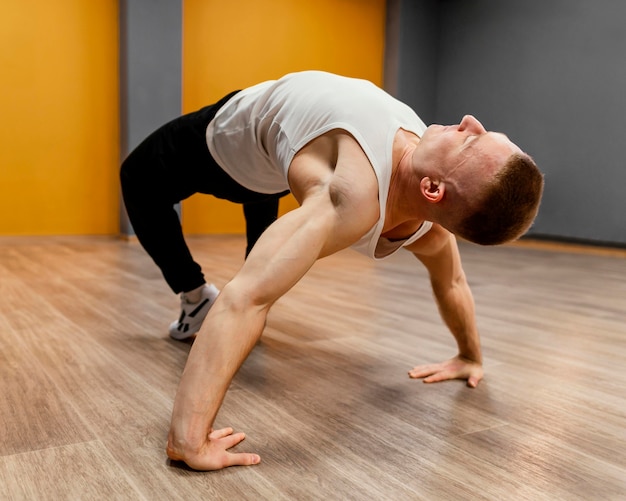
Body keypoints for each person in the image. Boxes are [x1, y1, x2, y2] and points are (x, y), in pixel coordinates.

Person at [120, 70, 544, 471]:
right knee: (192, 191)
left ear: (432, 190)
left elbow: (245, 299)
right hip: (250, 127)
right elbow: (249, 298)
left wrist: (187, 441)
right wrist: (471, 355)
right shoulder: (393, 191)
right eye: (483, 132)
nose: (471, 121)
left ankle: (195, 305)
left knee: (137, 177)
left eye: (472, 142)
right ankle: (195, 293)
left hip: (244, 153)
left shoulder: (351, 199)